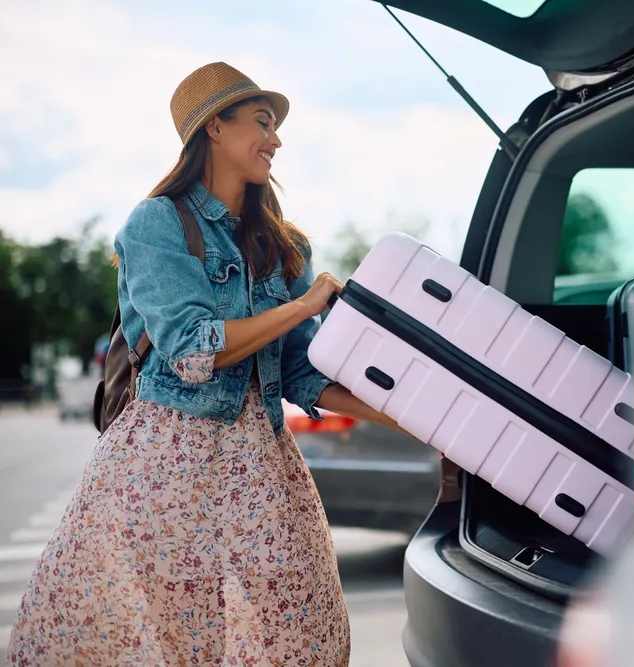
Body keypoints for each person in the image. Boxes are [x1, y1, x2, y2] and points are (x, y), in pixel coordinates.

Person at [5, 62, 399, 667]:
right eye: (262, 122)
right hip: (162, 468)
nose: (276, 139)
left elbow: (303, 375)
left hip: (261, 468)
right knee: (162, 640)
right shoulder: (156, 223)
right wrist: (301, 305)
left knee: (296, 633)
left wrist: (411, 416)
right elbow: (193, 348)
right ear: (216, 126)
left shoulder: (283, 244)